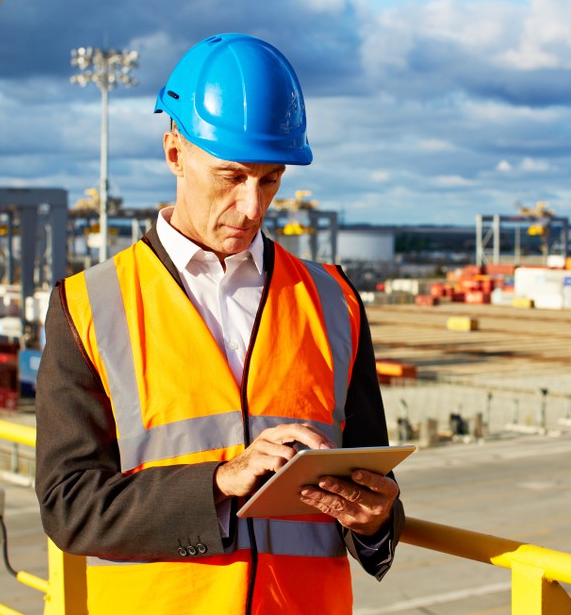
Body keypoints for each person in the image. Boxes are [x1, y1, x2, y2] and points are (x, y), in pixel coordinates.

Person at [35, 33, 403, 615]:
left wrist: (376, 518)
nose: (253, 206)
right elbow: (69, 506)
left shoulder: (334, 300)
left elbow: (367, 481)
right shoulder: (87, 306)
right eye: (230, 177)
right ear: (174, 153)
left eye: (271, 178)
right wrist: (219, 482)